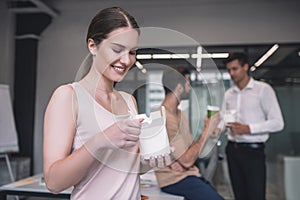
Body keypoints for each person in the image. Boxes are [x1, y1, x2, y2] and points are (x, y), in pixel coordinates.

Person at [43, 7, 168, 200]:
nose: (126, 60)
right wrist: (102, 140)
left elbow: (126, 170)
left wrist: (151, 160)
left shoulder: (129, 101)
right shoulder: (68, 96)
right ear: (92, 46)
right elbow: (53, 182)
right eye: (117, 49)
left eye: (132, 52)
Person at [220, 52, 284, 200]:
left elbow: (278, 123)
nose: (231, 73)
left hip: (253, 153)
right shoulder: (229, 94)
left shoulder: (263, 90)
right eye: (229, 70)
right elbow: (224, 121)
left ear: (245, 67)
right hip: (232, 150)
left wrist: (249, 128)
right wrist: (215, 127)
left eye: (235, 69)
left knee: (255, 196)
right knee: (239, 195)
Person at [154, 67, 224, 200]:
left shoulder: (181, 115)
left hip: (187, 174)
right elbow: (187, 160)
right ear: (179, 87)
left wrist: (208, 131)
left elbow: (191, 152)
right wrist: (207, 130)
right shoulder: (164, 117)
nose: (190, 88)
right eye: (187, 84)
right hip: (173, 179)